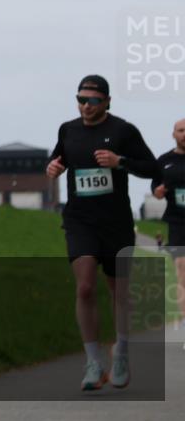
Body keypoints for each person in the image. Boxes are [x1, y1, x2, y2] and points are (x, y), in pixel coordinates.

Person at [46, 75, 157, 391]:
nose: (85, 106)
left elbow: (151, 168)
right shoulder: (68, 130)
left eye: (92, 101)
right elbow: (59, 159)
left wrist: (119, 161)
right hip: (81, 220)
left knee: (119, 292)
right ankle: (93, 362)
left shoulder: (122, 131)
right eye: (80, 99)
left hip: (116, 223)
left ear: (107, 102)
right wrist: (52, 168)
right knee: (84, 288)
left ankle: (120, 351)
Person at [151, 118, 185, 335]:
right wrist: (157, 191)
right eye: (181, 130)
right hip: (178, 221)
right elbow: (155, 185)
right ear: (173, 134)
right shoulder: (164, 161)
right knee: (182, 271)